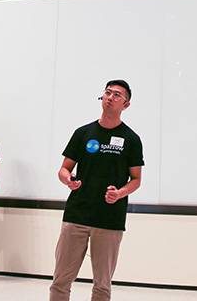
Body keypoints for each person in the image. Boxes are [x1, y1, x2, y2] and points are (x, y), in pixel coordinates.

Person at [49, 79, 143, 301]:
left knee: (102, 286)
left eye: (117, 95)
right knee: (61, 281)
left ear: (126, 105)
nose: (110, 97)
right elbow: (64, 169)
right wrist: (68, 180)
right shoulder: (83, 133)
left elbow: (136, 179)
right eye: (108, 92)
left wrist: (119, 193)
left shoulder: (131, 139)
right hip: (77, 215)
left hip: (109, 219)